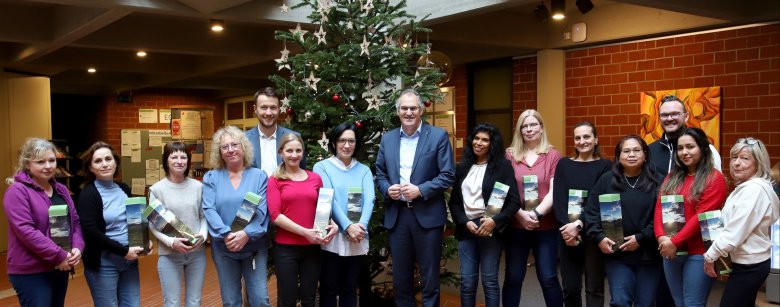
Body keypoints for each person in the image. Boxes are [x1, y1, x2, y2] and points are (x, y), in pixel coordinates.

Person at [375, 89, 455, 307]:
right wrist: (387, 189)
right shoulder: (388, 138)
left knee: (430, 277)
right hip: (398, 216)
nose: (408, 112)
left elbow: (448, 174)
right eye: (404, 108)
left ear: (421, 110)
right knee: (401, 278)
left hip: (427, 216)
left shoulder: (437, 136)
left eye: (413, 108)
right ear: (397, 111)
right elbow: (380, 173)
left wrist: (420, 189)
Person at [647, 94, 721, 307]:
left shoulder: (713, 176)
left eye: (691, 147)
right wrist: (662, 238)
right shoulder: (672, 175)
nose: (685, 152)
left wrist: (673, 241)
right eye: (681, 148)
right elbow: (659, 206)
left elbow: (703, 214)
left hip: (697, 250)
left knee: (692, 303)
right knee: (678, 302)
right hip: (669, 249)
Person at [3, 138, 85, 306]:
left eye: (52, 160)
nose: (48, 166)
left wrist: (77, 248)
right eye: (40, 162)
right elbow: (26, 231)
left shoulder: (61, 189)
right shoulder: (17, 191)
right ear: (27, 164)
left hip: (60, 266)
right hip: (31, 271)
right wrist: (59, 255)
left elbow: (75, 222)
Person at [583, 135, 662, 307]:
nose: (631, 154)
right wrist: (599, 237)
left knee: (646, 303)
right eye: (626, 151)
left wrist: (641, 238)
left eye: (636, 150)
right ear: (618, 156)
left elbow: (662, 216)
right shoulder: (607, 180)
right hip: (617, 255)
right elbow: (591, 212)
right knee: (619, 301)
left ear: (645, 154)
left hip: (648, 255)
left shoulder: (658, 181)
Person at [447, 123, 521, 307]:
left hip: (490, 230)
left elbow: (514, 202)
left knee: (489, 282)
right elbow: (454, 202)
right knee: (467, 283)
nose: (479, 143)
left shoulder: (503, 167)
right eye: (476, 138)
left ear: (492, 144)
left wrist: (494, 222)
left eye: (485, 140)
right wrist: (464, 222)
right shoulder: (463, 166)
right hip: (467, 230)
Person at [703, 137, 780, 307]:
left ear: (758, 164)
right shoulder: (749, 187)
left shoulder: (753, 190)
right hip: (750, 262)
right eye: (734, 157)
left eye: (744, 158)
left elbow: (735, 231)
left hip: (750, 265)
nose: (736, 163)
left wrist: (710, 256)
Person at [202, 126, 270, 307]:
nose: (230, 150)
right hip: (224, 249)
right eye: (225, 147)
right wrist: (228, 235)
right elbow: (209, 209)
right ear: (219, 152)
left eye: (234, 144)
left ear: (244, 147)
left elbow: (262, 211)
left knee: (260, 300)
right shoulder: (211, 177)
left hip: (254, 248)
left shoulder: (259, 176)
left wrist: (246, 234)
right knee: (231, 301)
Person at [502, 109, 564, 307]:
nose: (529, 129)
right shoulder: (509, 155)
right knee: (513, 277)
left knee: (548, 278)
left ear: (541, 127)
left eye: (533, 125)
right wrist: (520, 214)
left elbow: (554, 191)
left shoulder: (553, 155)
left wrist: (536, 214)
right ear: (520, 130)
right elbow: (503, 190)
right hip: (516, 225)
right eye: (524, 126)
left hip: (546, 227)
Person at [268, 133, 337, 307]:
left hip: (312, 248)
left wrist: (333, 224)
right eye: (289, 150)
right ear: (281, 152)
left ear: (303, 152)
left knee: (309, 298)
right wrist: (304, 232)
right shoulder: (275, 180)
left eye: (298, 150)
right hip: (286, 249)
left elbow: (323, 209)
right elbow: (275, 215)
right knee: (287, 299)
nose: (294, 154)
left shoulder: (315, 178)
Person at [77, 141, 150, 306]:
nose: (104, 164)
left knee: (132, 304)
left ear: (115, 162)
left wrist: (145, 241)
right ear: (90, 167)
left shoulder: (124, 188)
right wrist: (123, 251)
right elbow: (91, 233)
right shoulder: (88, 195)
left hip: (129, 262)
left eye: (108, 159)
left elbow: (135, 219)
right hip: (104, 264)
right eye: (98, 161)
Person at [312, 123, 375, 307]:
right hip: (332, 237)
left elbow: (370, 199)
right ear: (334, 142)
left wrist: (360, 227)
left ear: (356, 143)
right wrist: (348, 226)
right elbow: (329, 198)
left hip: (357, 237)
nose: (346, 145)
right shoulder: (322, 167)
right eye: (342, 140)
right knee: (329, 289)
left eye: (351, 141)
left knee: (350, 288)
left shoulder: (363, 169)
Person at [551, 122, 611, 307]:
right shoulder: (564, 164)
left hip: (594, 233)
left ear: (596, 140)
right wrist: (568, 229)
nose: (582, 141)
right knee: (570, 288)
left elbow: (600, 202)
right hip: (566, 233)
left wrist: (578, 225)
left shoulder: (606, 166)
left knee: (594, 287)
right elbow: (558, 199)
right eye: (578, 137)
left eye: (586, 137)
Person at [148, 141, 208, 307]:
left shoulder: (198, 187)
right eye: (174, 157)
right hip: (169, 255)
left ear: (188, 161)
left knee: (194, 301)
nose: (179, 161)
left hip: (196, 254)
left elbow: (204, 217)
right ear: (166, 161)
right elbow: (153, 225)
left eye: (183, 157)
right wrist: (171, 242)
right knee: (172, 303)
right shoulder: (157, 190)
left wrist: (203, 235)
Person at [245, 86, 305, 175]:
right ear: (255, 109)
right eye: (264, 107)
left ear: (279, 109)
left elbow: (300, 172)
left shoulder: (294, 137)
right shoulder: (243, 139)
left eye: (273, 108)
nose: (268, 113)